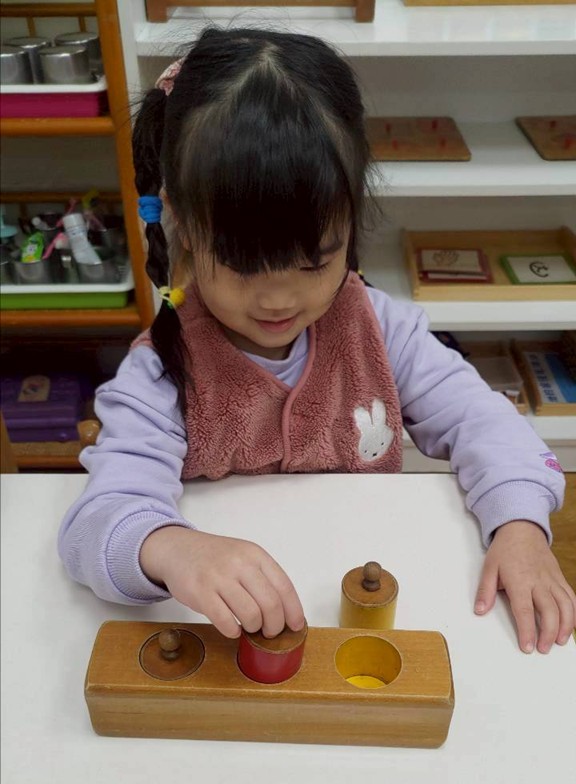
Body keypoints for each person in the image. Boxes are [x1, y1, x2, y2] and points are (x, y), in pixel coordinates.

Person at [58, 26, 575, 655]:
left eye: (314, 263)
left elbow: (484, 421)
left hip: (361, 609)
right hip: (233, 632)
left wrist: (520, 526)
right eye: (243, 266)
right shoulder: (164, 369)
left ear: (350, 221)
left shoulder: (381, 330)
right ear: (184, 225)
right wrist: (170, 548)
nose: (279, 301)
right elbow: (95, 524)